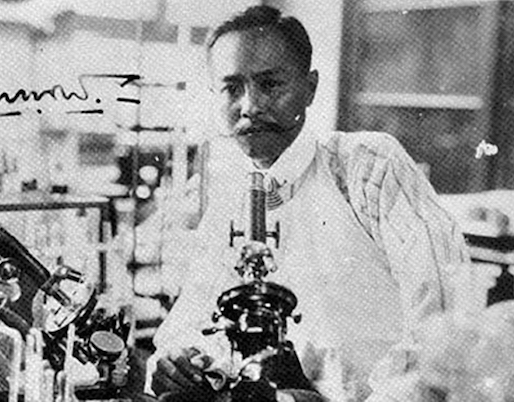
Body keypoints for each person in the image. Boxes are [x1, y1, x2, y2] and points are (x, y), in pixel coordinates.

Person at [142, 5, 469, 402]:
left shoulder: (365, 167)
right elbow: (186, 327)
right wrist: (174, 364)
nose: (250, 107)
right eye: (231, 89)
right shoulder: (232, 199)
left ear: (310, 87)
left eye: (270, 84)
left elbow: (445, 324)